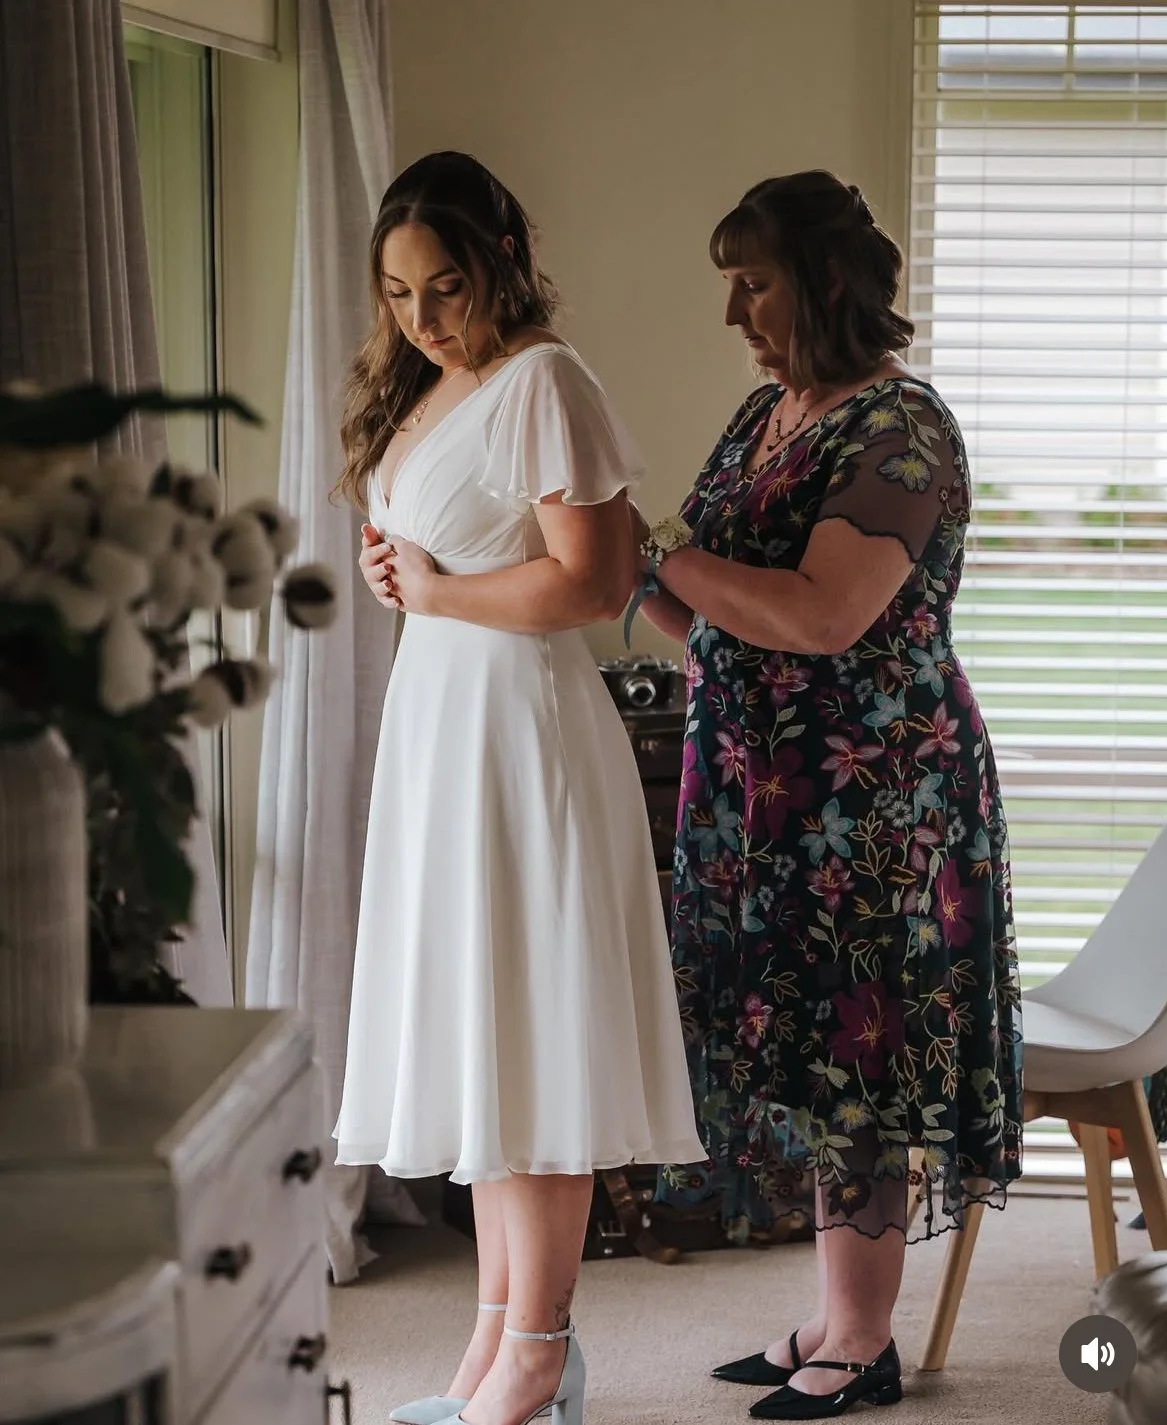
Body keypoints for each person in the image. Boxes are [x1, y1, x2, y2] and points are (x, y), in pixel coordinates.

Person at [633, 171, 1023, 1420]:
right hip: (758, 796)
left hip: (876, 806)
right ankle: (830, 1314)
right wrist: (612, 565)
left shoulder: (902, 429)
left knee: (860, 1055)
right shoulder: (768, 414)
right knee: (802, 1052)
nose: (738, 311)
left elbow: (820, 612)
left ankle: (863, 1339)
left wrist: (658, 554)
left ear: (827, 284)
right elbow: (697, 612)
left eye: (755, 283)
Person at [331, 151, 705, 1425]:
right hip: (442, 724)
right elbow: (452, 551)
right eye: (397, 294)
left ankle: (539, 1349)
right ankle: (495, 1337)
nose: (422, 319)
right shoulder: (436, 390)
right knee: (488, 1040)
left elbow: (596, 585)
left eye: (443, 287)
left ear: (497, 263)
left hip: (521, 732)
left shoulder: (545, 378)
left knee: (532, 1042)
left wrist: (432, 592)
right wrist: (406, 583)